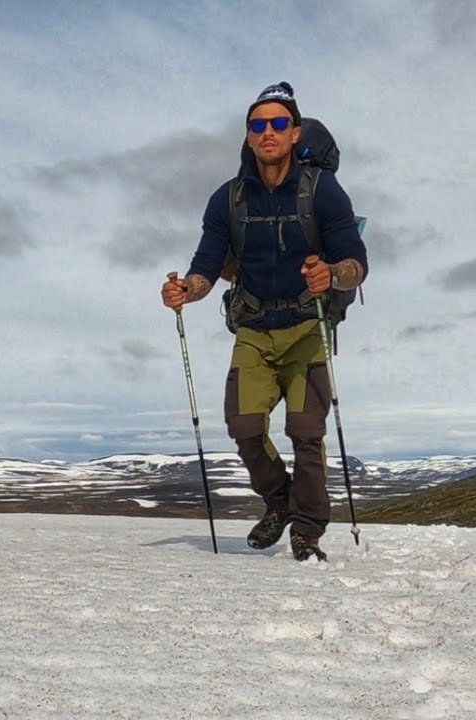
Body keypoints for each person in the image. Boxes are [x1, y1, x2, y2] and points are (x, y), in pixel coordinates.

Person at [160, 82, 368, 561]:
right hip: (254, 329)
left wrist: (332, 274)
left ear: (295, 133)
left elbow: (356, 260)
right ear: (248, 136)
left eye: (278, 124)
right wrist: (185, 291)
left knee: (306, 431)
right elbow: (207, 263)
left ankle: (308, 528)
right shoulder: (227, 200)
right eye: (258, 125)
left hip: (307, 326)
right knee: (245, 426)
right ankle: (280, 504)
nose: (268, 132)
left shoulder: (323, 191)